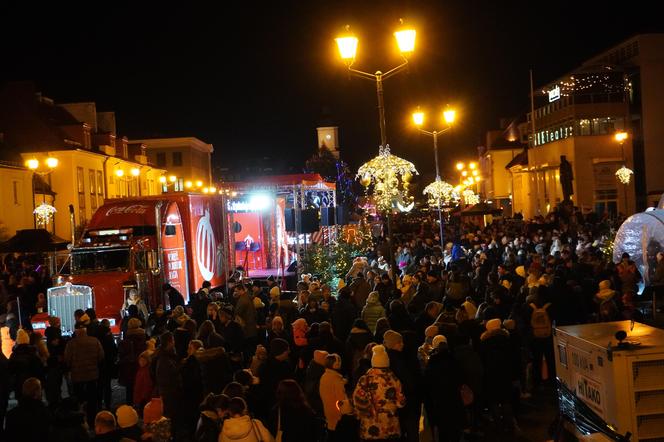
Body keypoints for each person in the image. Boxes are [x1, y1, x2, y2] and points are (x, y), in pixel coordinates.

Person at [353, 345, 406, 441]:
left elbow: (357, 401)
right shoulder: (394, 379)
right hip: (390, 426)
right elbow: (400, 403)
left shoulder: (365, 380)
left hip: (370, 425)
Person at [423, 335, 465, 442]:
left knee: (443, 430)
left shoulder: (432, 363)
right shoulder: (455, 360)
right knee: (454, 429)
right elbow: (461, 378)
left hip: (439, 401)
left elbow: (428, 384)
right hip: (454, 399)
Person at [65, 325, 105, 426]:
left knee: (79, 400)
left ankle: (80, 421)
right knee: (92, 399)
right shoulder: (95, 341)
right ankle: (92, 421)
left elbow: (67, 360)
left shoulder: (71, 344)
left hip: (77, 376)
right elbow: (101, 356)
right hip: (92, 375)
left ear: (77, 332)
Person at [319, 354, 349, 440]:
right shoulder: (336, 379)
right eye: (338, 361)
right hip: (337, 413)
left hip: (328, 409)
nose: (340, 363)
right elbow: (342, 398)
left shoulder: (324, 376)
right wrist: (349, 410)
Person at [118, 317, 147, 405]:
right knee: (142, 387)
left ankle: (130, 406)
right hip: (141, 365)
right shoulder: (144, 338)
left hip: (129, 367)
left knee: (129, 389)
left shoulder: (125, 340)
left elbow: (121, 354)